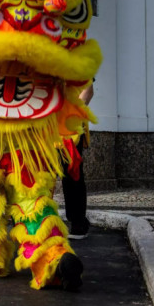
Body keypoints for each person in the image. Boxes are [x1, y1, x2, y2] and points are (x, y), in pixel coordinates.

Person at [62, 84, 94, 239]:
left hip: (70, 125)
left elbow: (87, 90)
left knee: (72, 172)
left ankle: (77, 222)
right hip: (43, 123)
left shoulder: (78, 60)